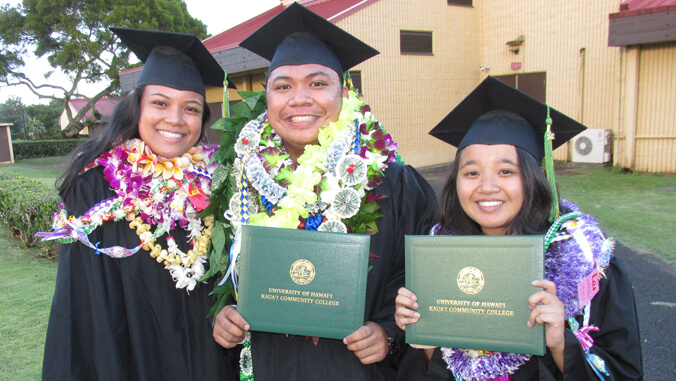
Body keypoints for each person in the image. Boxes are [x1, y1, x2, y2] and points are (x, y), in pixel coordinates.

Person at [211, 3, 437, 380]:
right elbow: (221, 281)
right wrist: (225, 315)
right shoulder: (241, 182)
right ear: (266, 100)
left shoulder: (394, 184)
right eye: (282, 86)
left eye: (318, 83)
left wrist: (391, 334)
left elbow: (427, 284)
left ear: (345, 93)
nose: (299, 99)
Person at [395, 76, 643, 380]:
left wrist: (559, 344)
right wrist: (425, 342)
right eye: (471, 172)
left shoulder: (586, 263)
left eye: (505, 171)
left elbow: (624, 371)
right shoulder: (439, 259)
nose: (487, 187)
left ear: (533, 176)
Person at [40, 28, 238, 380]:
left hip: (209, 361)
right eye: (160, 103)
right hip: (130, 358)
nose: (175, 120)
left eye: (190, 108)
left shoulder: (219, 183)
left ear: (203, 119)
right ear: (137, 107)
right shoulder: (95, 186)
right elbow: (83, 306)